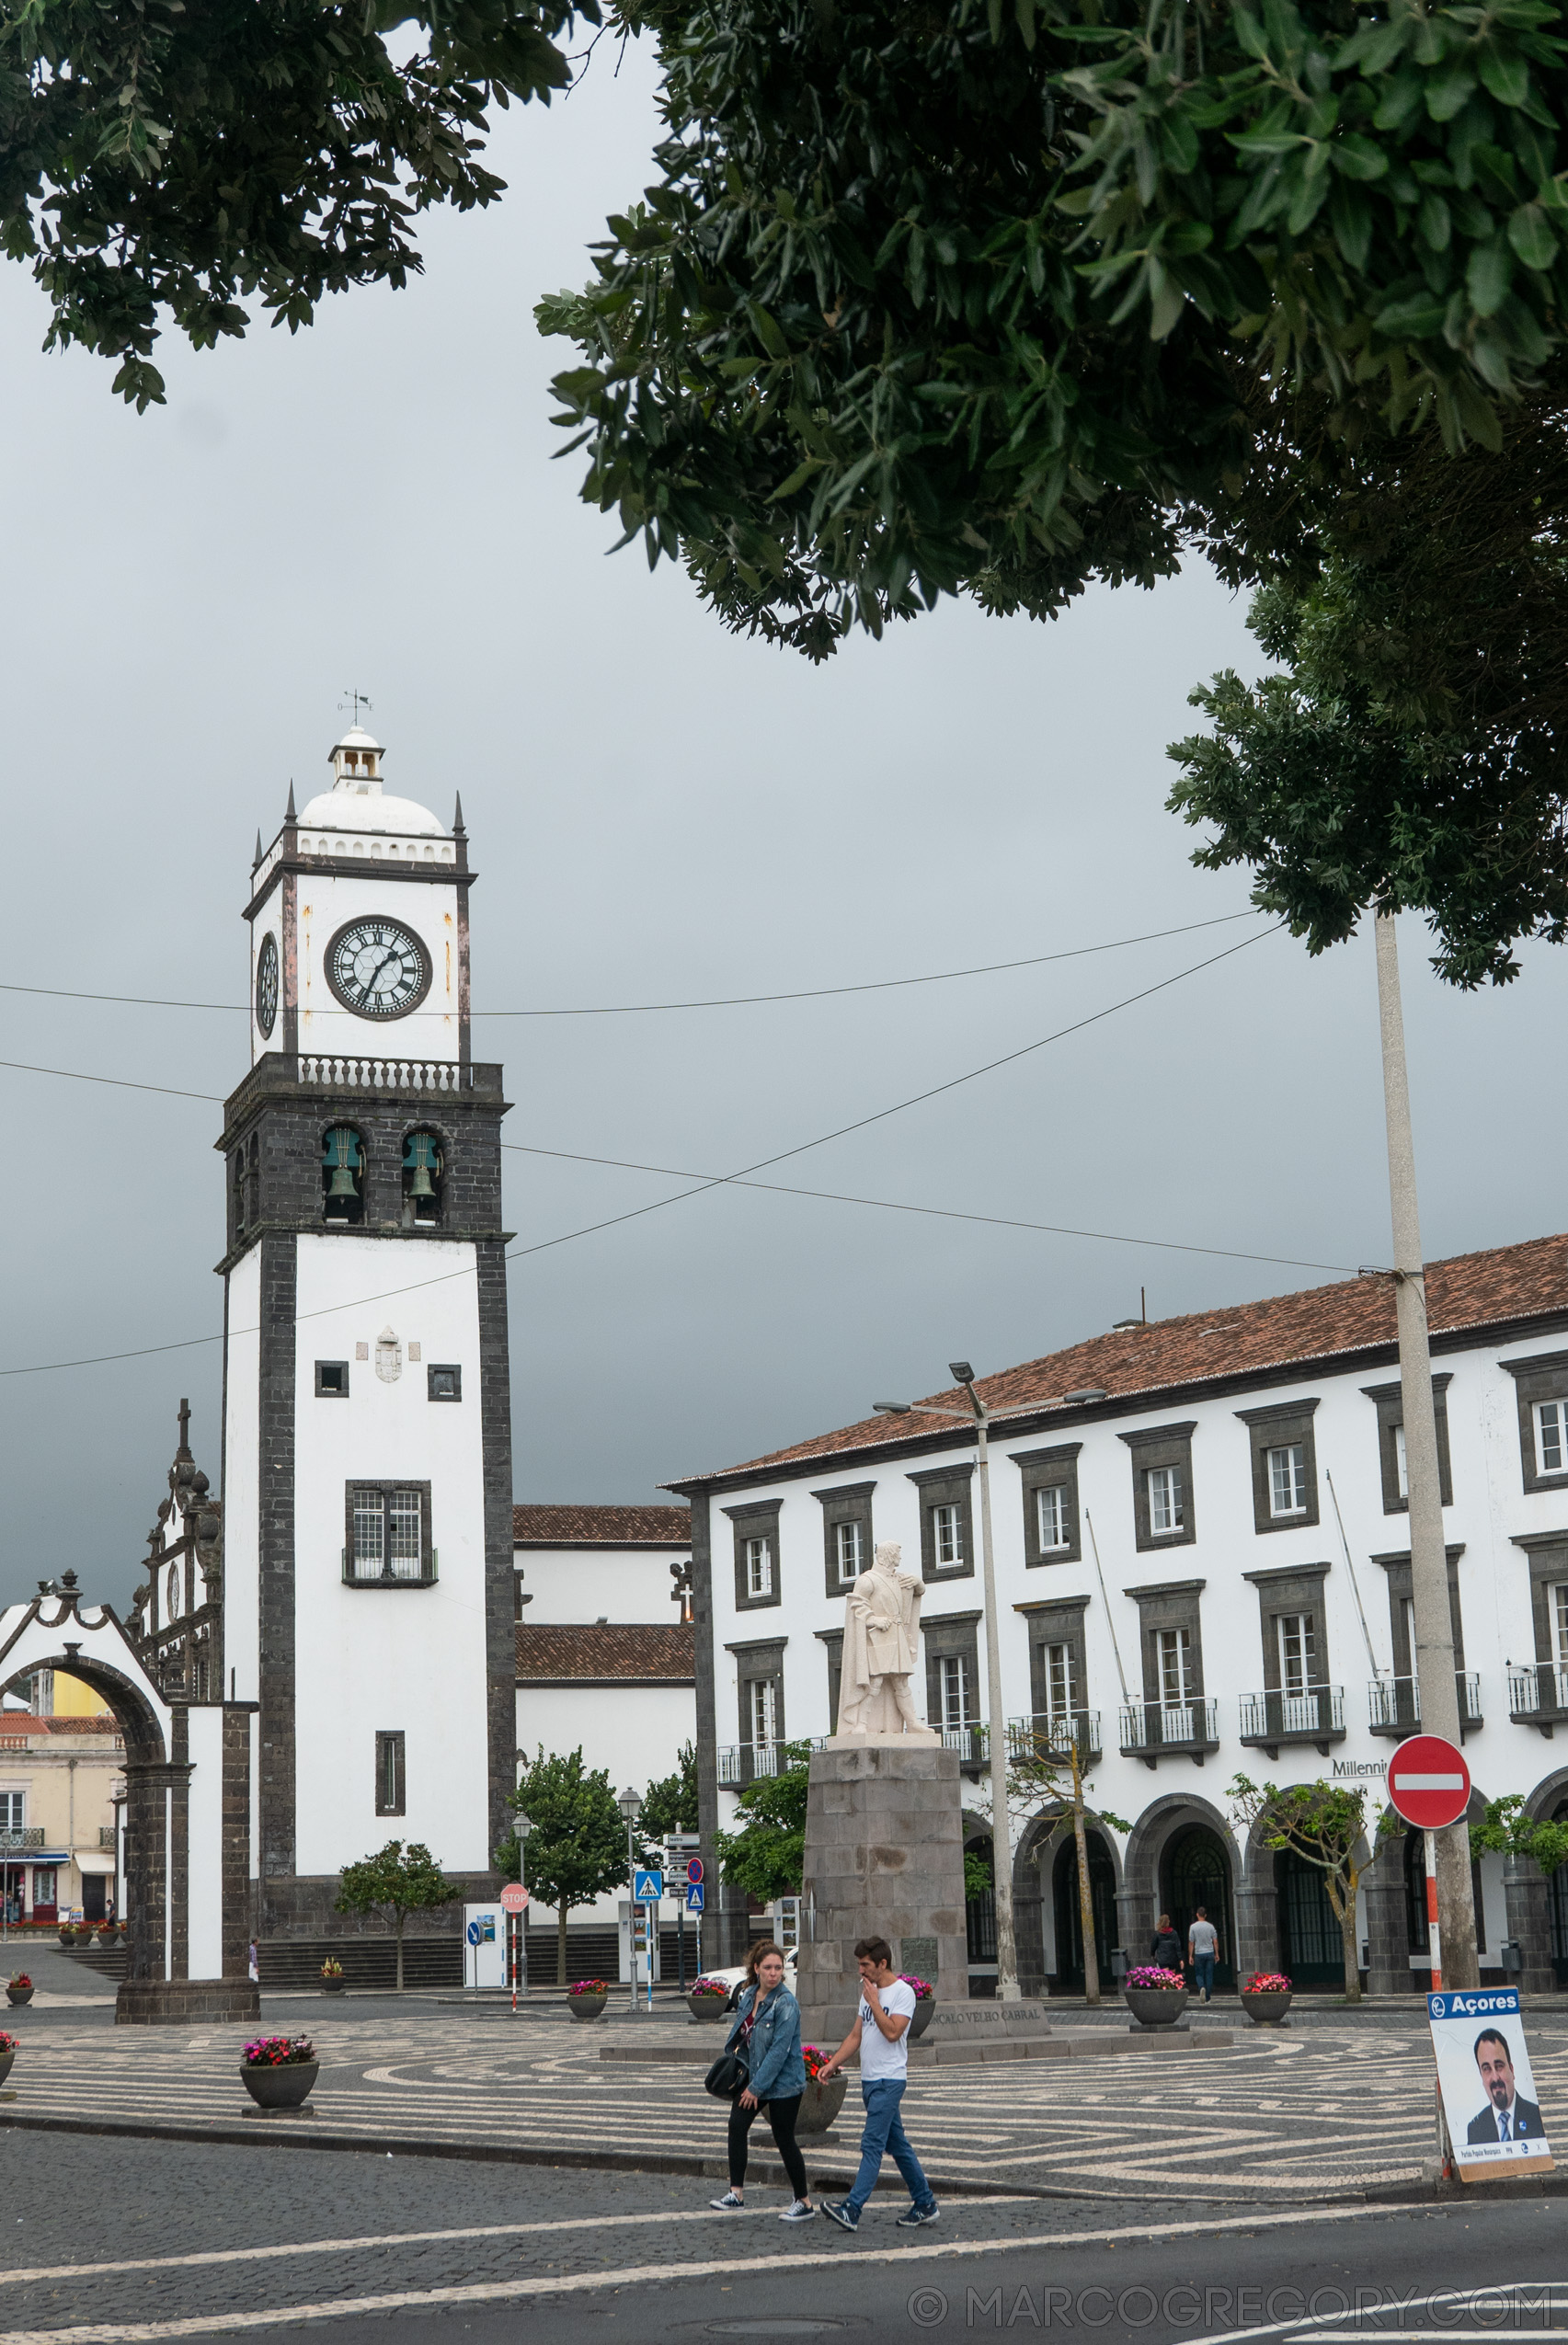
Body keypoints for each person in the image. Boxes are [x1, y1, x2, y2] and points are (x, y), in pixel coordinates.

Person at [818, 1936, 939, 2235]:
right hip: (870, 2080)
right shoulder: (867, 1993)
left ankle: (852, 2208)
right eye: (859, 1964)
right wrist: (833, 2064)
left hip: (889, 2080)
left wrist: (875, 2002)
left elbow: (894, 2032)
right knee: (898, 2146)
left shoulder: (903, 1993)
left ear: (882, 1964)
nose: (861, 1971)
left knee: (871, 2145)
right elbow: (856, 2036)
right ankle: (925, 2203)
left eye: (865, 1965)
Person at [708, 1941, 816, 2222]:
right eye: (767, 1967)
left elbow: (780, 2052)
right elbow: (742, 2037)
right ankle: (736, 2194)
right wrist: (734, 2067)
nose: (773, 1973)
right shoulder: (748, 1995)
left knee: (784, 2139)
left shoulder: (786, 2003)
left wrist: (756, 2088)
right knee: (737, 2126)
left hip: (783, 2083)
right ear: (756, 1968)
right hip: (755, 2075)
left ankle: (803, 2201)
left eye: (778, 1968)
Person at [1465, 2027, 1545, 2144]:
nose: (1495, 2077)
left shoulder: (1536, 2117)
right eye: (1487, 2069)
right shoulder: (1475, 2128)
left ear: (1511, 2070)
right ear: (1481, 2076)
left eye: (1499, 2066)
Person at [1187, 1906, 1219, 2001]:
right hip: (1209, 1952)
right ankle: (1208, 1997)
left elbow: (1191, 1942)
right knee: (1209, 1975)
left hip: (1199, 1953)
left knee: (1199, 1974)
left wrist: (1190, 1956)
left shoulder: (1193, 1927)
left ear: (1197, 1914)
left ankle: (1201, 1987)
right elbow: (1215, 1941)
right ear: (1205, 1915)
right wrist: (1216, 1954)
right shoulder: (1211, 1926)